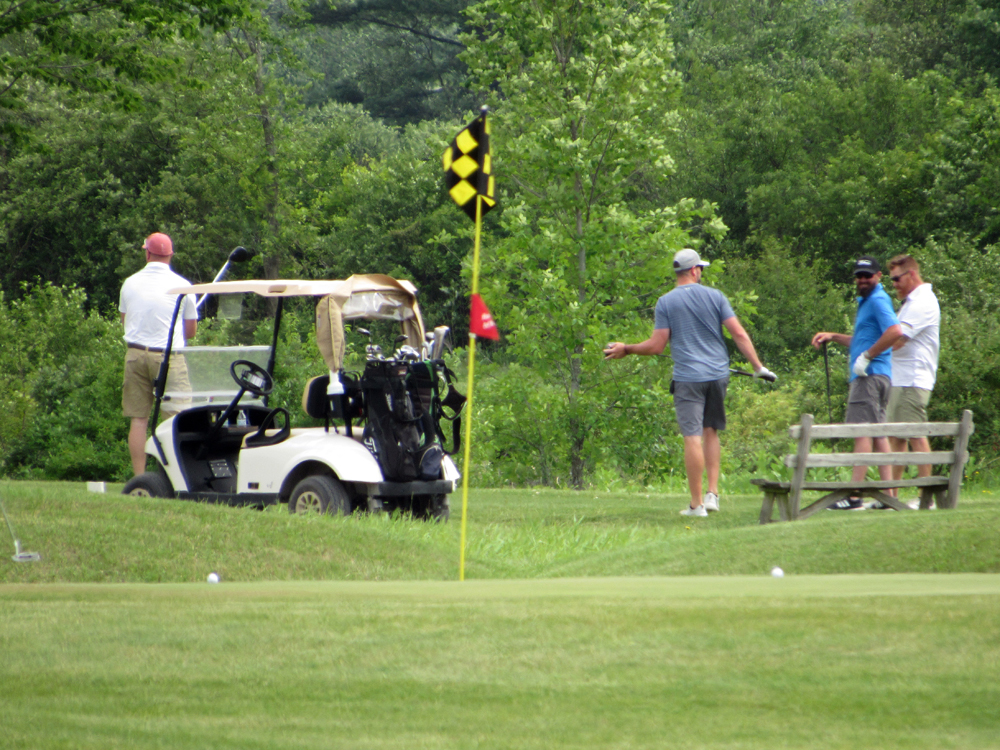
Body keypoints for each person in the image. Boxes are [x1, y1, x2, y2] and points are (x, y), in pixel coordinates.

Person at [604, 248, 775, 517]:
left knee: (692, 437)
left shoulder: (665, 302)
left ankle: (696, 506)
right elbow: (739, 334)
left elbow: (657, 346)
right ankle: (712, 495)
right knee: (711, 431)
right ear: (695, 270)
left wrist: (627, 348)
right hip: (718, 375)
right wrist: (758, 367)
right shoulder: (716, 296)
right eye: (701, 269)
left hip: (688, 378)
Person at [811, 255, 902, 510]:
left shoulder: (877, 300)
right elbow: (862, 340)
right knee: (878, 434)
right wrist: (834, 336)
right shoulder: (867, 301)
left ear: (878, 276)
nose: (862, 280)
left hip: (868, 377)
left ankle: (854, 496)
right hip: (879, 375)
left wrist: (867, 356)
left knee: (861, 432)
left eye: (868, 275)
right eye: (859, 276)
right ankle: (889, 497)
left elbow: (895, 332)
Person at [119, 233, 198, 476]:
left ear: (147, 253)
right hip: (168, 357)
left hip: (135, 354)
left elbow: (125, 321)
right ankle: (173, 476)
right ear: (170, 256)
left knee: (139, 419)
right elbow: (191, 332)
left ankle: (140, 477)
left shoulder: (129, 283)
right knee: (176, 420)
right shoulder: (183, 285)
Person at [884, 254, 940, 502]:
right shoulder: (908, 302)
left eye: (897, 278)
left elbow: (896, 341)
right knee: (896, 437)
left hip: (913, 379)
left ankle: (924, 495)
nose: (894, 284)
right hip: (899, 378)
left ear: (912, 274)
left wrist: (868, 351)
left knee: (916, 434)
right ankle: (891, 496)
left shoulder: (923, 302)